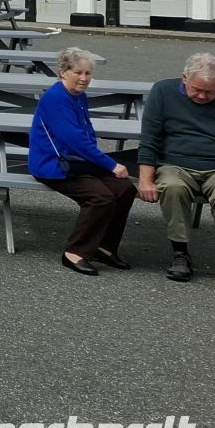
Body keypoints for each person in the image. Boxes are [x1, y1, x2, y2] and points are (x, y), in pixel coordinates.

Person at [27, 46, 135, 275]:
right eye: (78, 72)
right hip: (55, 165)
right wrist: (111, 164)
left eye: (88, 73)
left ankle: (103, 248)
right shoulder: (56, 98)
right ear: (63, 72)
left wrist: (103, 164)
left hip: (78, 161)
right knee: (100, 197)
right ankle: (74, 252)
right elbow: (75, 140)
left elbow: (86, 133)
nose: (84, 78)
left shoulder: (78, 95)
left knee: (125, 189)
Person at [136, 51, 215, 282]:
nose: (203, 96)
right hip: (175, 163)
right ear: (184, 78)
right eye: (197, 89)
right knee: (173, 188)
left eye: (210, 92)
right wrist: (145, 180)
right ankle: (180, 253)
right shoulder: (163, 91)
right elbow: (149, 139)